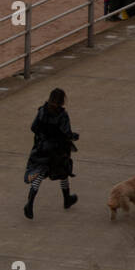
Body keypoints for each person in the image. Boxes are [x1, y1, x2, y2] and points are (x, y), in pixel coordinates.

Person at [23, 88, 79, 219]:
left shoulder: (42, 110)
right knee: (64, 171)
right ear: (62, 100)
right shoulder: (62, 115)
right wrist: (74, 136)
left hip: (41, 148)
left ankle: (30, 203)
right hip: (57, 149)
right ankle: (67, 199)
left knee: (40, 173)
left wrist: (43, 136)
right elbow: (66, 133)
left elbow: (33, 127)